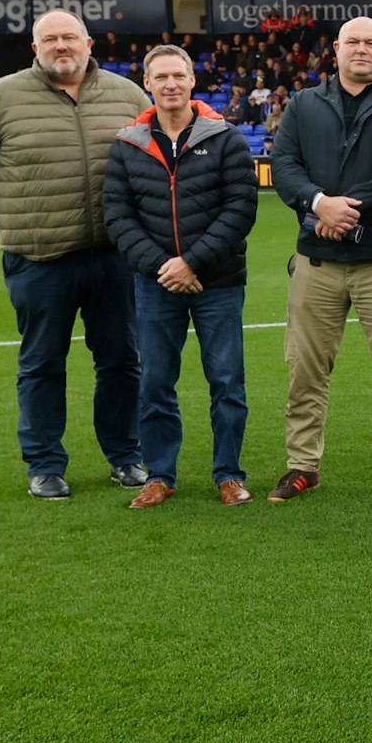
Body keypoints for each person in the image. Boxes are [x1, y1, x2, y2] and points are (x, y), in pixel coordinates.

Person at [0, 9, 150, 499]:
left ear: (89, 42)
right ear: (35, 48)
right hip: (39, 258)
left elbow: (152, 161)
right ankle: (44, 464)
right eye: (50, 39)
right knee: (42, 363)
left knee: (122, 361)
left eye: (69, 37)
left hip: (115, 257)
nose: (61, 46)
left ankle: (125, 457)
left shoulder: (127, 94)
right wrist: (15, 213)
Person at [267, 16, 372, 501]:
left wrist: (344, 207)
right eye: (353, 42)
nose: (362, 49)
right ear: (336, 49)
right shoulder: (303, 103)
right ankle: (303, 465)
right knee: (304, 369)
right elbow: (284, 165)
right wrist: (320, 204)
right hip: (316, 262)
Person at [102, 45, 259, 508]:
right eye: (161, 77)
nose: (171, 84)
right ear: (147, 84)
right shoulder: (128, 143)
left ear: (194, 81)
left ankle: (229, 474)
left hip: (219, 282)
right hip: (155, 285)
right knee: (154, 382)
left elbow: (240, 208)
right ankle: (160, 475)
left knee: (227, 381)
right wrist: (162, 267)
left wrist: (192, 261)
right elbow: (117, 215)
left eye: (179, 75)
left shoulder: (226, 137)